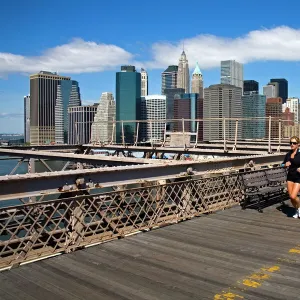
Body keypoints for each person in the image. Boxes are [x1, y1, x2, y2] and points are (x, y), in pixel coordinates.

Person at [283, 136, 300, 218]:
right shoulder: (288, 154)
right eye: (291, 143)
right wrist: (285, 165)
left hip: (298, 177)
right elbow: (282, 164)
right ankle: (298, 210)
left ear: (298, 144)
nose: (292, 144)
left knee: (294, 196)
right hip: (290, 177)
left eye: (294, 143)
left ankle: (299, 208)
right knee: (291, 197)